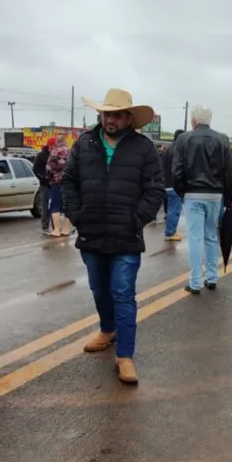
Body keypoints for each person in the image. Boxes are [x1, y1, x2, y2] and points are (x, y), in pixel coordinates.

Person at [62, 88, 164, 384]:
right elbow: (69, 181)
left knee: (122, 292)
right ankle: (107, 330)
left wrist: (137, 219)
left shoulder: (143, 148)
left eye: (117, 114)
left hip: (126, 235)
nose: (110, 119)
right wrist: (76, 214)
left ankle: (125, 355)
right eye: (106, 114)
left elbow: (155, 189)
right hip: (91, 232)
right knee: (99, 289)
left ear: (128, 118)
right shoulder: (84, 144)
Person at [173, 105, 232, 293]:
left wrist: (182, 191)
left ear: (194, 121)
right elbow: (229, 172)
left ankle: (195, 282)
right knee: (211, 236)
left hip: (192, 193)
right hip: (215, 195)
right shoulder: (222, 139)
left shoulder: (184, 139)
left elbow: (177, 170)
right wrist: (229, 196)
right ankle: (213, 277)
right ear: (210, 120)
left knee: (195, 239)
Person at [46, 135, 72, 238]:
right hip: (69, 183)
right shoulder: (70, 152)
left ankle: (56, 230)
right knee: (67, 206)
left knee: (55, 206)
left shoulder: (54, 152)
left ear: (57, 142)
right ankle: (66, 229)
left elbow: (48, 167)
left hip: (56, 182)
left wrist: (49, 178)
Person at [162, 129, 184, 241]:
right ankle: (170, 232)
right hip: (174, 184)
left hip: (166, 183)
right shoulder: (178, 149)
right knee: (174, 209)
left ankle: (171, 231)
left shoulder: (169, 148)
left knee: (172, 208)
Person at [32, 137, 54, 235]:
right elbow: (35, 169)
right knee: (46, 206)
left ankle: (55, 227)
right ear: (50, 145)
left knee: (55, 206)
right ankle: (45, 226)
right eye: (54, 145)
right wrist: (43, 177)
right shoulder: (41, 155)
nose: (55, 147)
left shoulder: (55, 155)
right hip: (45, 185)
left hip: (54, 184)